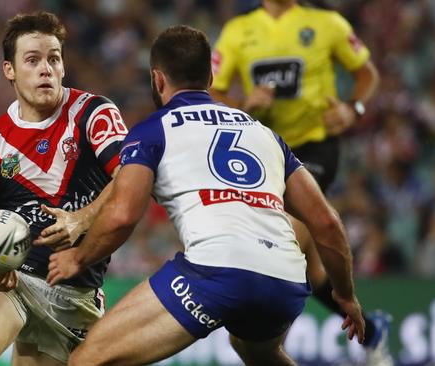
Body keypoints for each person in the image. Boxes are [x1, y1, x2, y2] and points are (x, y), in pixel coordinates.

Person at [41, 25, 364, 366]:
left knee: (85, 361)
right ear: (210, 77)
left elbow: (122, 216)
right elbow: (326, 223)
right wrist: (344, 295)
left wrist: (78, 259)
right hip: (285, 280)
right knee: (257, 350)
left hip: (215, 273)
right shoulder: (265, 134)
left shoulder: (153, 130)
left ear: (157, 80)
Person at [209, 1, 393, 364]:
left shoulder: (327, 24)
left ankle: (266, 339)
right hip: (264, 152)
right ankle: (371, 331)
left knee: (286, 229)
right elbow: (212, 91)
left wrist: (352, 108)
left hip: (315, 147)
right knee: (312, 269)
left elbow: (366, 73)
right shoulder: (237, 33)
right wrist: (244, 104)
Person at [0, 11, 127, 366]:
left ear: (63, 66)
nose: (45, 69)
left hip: (75, 294)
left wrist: (82, 218)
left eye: (53, 59)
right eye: (32, 60)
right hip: (15, 280)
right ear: (10, 70)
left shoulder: (93, 113)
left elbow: (131, 175)